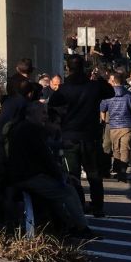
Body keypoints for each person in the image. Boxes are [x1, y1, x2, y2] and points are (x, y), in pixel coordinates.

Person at [0, 99, 96, 239]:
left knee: (57, 192)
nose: (46, 117)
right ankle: (82, 227)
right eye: (42, 113)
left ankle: (64, 225)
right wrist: (60, 176)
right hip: (28, 177)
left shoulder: (20, 128)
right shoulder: (32, 130)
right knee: (67, 191)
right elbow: (45, 157)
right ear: (31, 114)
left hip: (20, 175)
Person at [47, 54, 111, 217]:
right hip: (90, 135)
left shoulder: (63, 89)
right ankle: (98, 206)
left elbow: (52, 108)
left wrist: (60, 120)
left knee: (73, 175)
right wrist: (99, 79)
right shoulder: (93, 87)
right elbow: (110, 92)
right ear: (84, 67)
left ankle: (79, 204)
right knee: (94, 174)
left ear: (68, 68)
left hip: (70, 135)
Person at [99, 72, 131, 182]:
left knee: (115, 148)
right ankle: (122, 170)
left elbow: (102, 108)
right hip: (127, 125)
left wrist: (104, 119)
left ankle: (117, 170)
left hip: (113, 125)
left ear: (113, 81)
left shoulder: (108, 95)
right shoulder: (130, 95)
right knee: (125, 148)